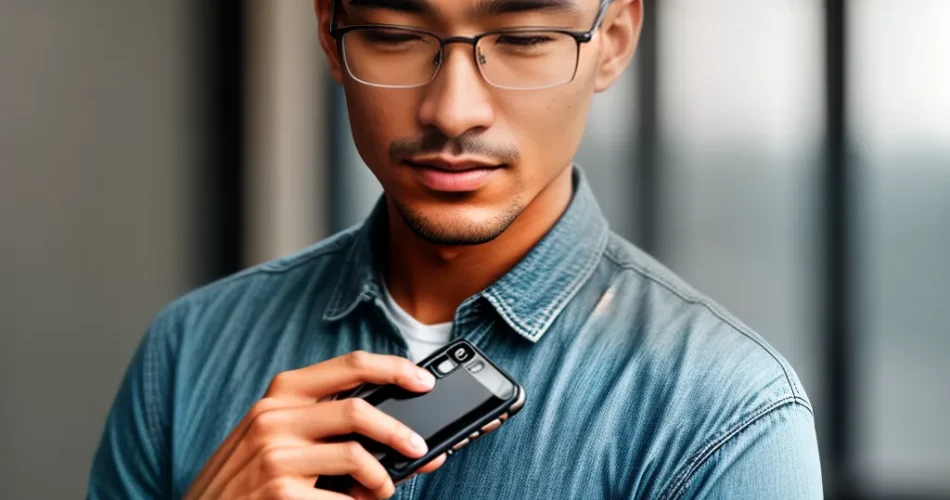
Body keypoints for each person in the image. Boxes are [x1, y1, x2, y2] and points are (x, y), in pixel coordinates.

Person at [88, 0, 823, 498]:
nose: (452, 111)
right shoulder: (188, 351)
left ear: (615, 40)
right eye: (394, 34)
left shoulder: (724, 412)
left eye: (525, 39)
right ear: (330, 35)